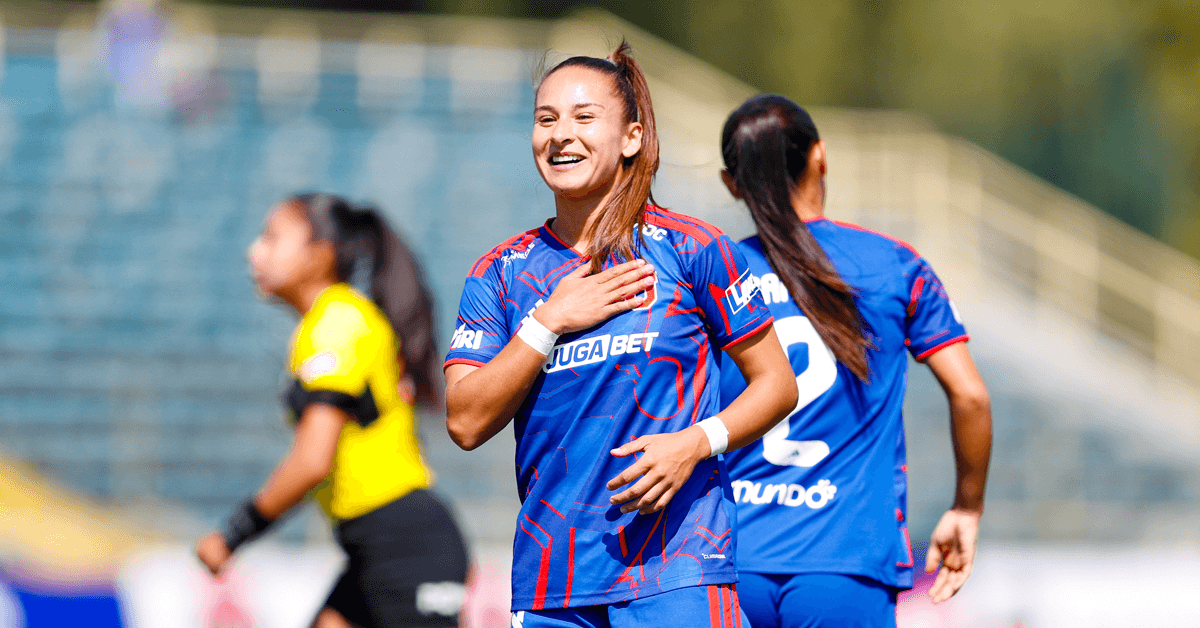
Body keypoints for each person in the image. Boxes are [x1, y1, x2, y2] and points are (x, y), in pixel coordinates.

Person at [443, 43, 798, 628]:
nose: (561, 136)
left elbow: (777, 385)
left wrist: (694, 444)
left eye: (584, 118)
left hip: (678, 572)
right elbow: (465, 420)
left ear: (632, 137)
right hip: (552, 586)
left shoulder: (693, 248)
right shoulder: (499, 271)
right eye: (546, 119)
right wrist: (547, 322)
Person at [716, 95, 993, 628]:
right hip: (845, 561)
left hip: (730, 560)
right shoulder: (894, 265)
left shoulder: (717, 271)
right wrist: (966, 507)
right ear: (821, 156)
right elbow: (971, 395)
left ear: (733, 184)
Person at [194, 193, 470, 628]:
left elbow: (312, 460)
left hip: (405, 544)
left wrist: (234, 533)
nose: (255, 251)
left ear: (319, 255)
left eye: (272, 238)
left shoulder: (336, 325)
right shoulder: (331, 323)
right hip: (375, 546)